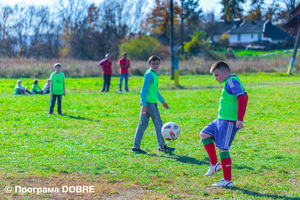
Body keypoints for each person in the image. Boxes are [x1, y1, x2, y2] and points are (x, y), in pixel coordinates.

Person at [200, 61, 248, 187]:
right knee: (204, 134)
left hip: (228, 121)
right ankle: (215, 164)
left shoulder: (232, 81)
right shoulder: (230, 81)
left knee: (223, 148)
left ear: (225, 72)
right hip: (220, 120)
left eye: (217, 75)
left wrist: (239, 119)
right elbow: (246, 96)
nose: (216, 78)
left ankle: (227, 181)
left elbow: (242, 98)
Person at [132, 55, 175, 154]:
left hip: (149, 103)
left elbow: (155, 91)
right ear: (149, 64)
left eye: (157, 64)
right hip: (149, 104)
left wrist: (163, 101)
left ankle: (136, 146)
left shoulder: (154, 75)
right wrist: (144, 105)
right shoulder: (149, 75)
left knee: (142, 125)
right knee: (158, 124)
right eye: (153, 64)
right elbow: (143, 91)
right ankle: (162, 146)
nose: (155, 65)